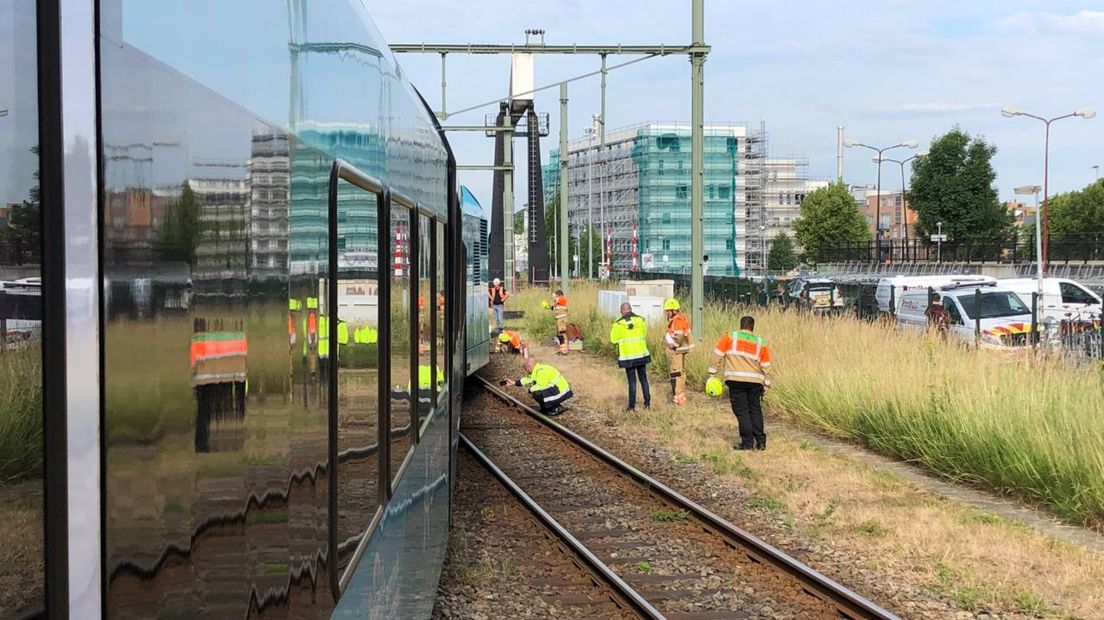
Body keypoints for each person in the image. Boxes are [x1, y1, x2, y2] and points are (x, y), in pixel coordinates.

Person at [707, 315, 772, 451]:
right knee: (755, 410)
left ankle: (747, 443)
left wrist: (712, 372)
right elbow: (766, 365)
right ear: (752, 328)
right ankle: (760, 442)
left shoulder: (730, 337)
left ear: (740, 326)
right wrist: (767, 383)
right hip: (755, 381)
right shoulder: (761, 343)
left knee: (742, 411)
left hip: (735, 380)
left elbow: (717, 354)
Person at [610, 302, 651, 411]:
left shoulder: (618, 324)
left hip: (628, 357)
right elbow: (644, 334)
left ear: (621, 311)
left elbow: (613, 340)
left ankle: (631, 406)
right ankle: (647, 404)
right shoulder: (641, 320)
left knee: (632, 382)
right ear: (631, 309)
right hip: (641, 355)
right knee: (644, 380)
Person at [499, 357, 573, 415]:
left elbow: (541, 386)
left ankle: (554, 408)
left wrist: (530, 389)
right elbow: (528, 379)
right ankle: (549, 407)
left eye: (525, 369)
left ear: (529, 367)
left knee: (537, 393)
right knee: (537, 391)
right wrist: (514, 383)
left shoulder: (541, 371)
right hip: (559, 391)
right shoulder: (537, 369)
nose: (526, 371)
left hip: (562, 392)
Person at [663, 298, 692, 405]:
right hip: (679, 349)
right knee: (679, 373)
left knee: (677, 373)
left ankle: (678, 398)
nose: (666, 313)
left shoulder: (678, 320)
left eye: (667, 311)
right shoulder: (679, 318)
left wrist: (672, 345)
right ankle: (679, 396)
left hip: (677, 351)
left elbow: (678, 336)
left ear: (673, 311)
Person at [550, 289, 569, 355]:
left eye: (557, 295)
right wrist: (549, 307)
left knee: (562, 333)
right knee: (559, 335)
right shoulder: (558, 301)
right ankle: (562, 349)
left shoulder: (562, 299)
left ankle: (565, 350)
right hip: (559, 319)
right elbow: (554, 307)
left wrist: (554, 296)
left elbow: (557, 299)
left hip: (562, 319)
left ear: (559, 295)